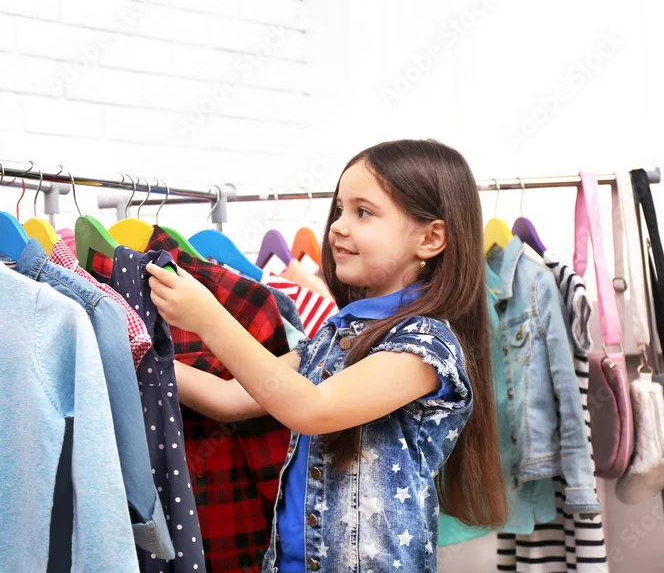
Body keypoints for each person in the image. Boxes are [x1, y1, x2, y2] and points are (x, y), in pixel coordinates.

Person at [146, 139, 508, 572]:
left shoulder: (423, 347)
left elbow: (312, 409)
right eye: (339, 210)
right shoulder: (333, 335)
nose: (338, 227)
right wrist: (131, 351)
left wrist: (210, 319)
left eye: (363, 212)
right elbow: (229, 397)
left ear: (430, 238)